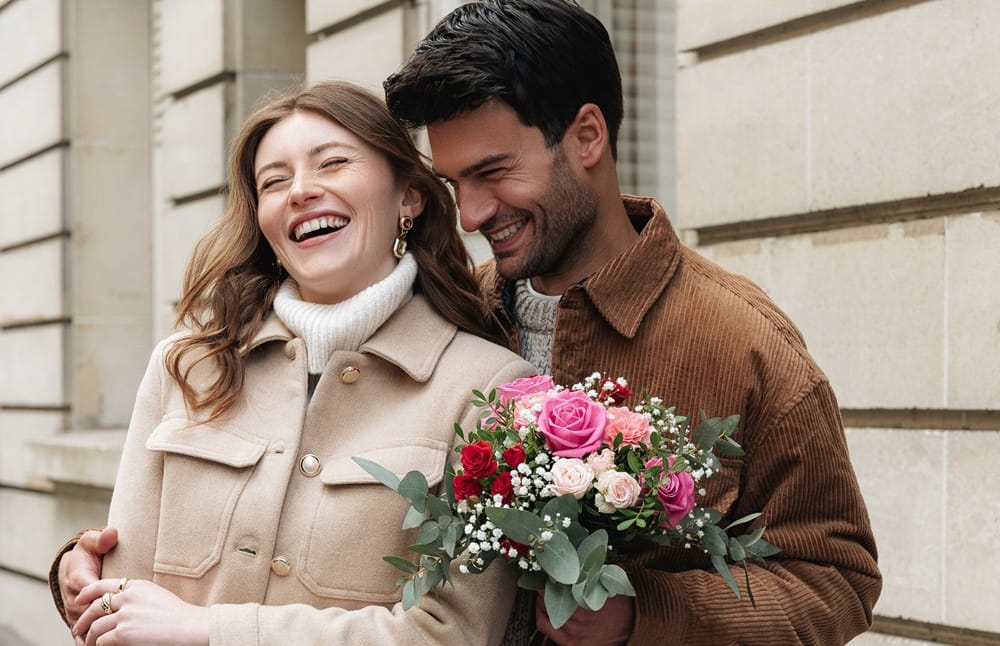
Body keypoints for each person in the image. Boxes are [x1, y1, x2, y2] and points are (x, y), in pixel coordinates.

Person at [381, 1, 882, 644]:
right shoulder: (450, 320)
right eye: (454, 185)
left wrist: (645, 613)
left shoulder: (745, 339)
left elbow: (837, 582)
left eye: (493, 172)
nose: (472, 215)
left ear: (587, 135)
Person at [49, 80, 534, 645]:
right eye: (274, 181)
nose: (301, 191)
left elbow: (451, 633)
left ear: (409, 196)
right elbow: (119, 599)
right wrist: (80, 577)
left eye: (332, 163)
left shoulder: (489, 391)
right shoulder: (184, 367)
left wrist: (210, 631)